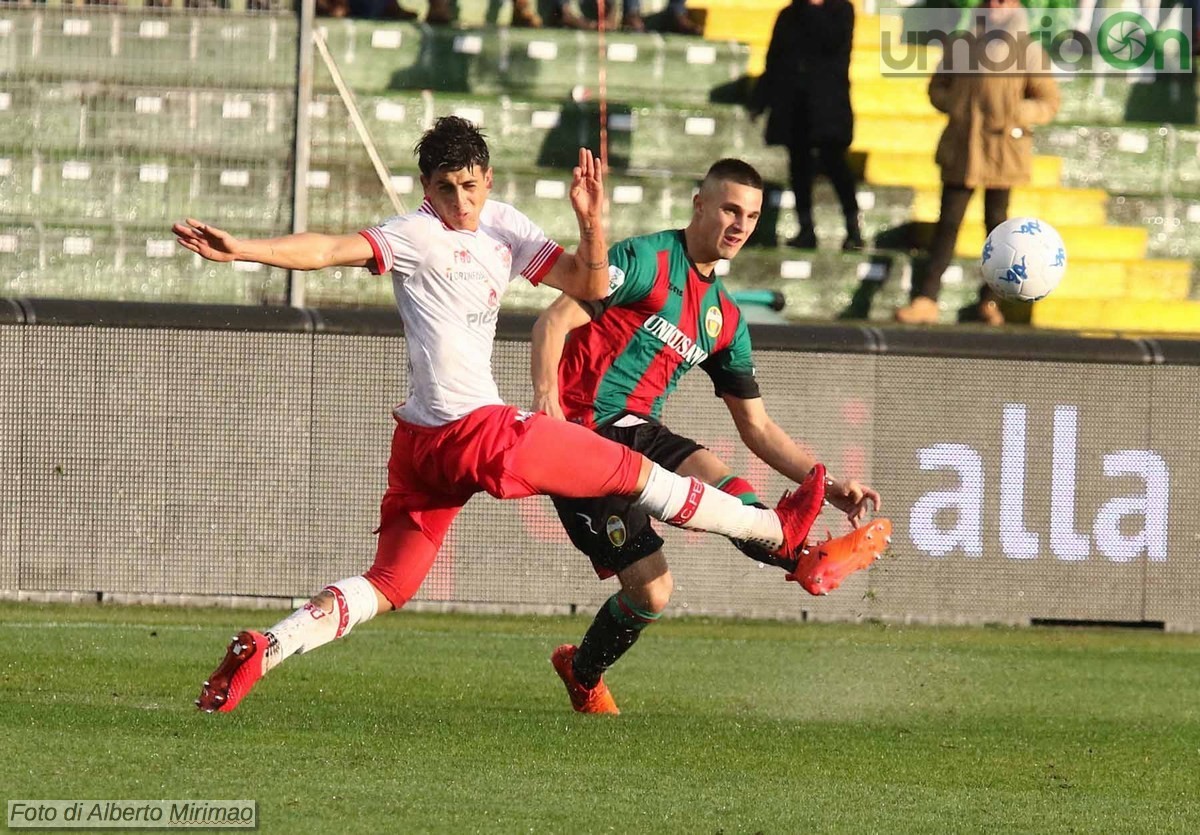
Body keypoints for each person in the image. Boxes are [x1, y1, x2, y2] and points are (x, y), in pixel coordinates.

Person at [176, 117, 835, 714]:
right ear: (425, 188)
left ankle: (268, 645)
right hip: (479, 432)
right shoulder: (413, 234)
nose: (461, 203)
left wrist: (590, 220)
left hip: (422, 448)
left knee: (390, 581)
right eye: (446, 188)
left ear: (488, 179)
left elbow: (587, 285)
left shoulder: (504, 225)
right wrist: (243, 250)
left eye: (470, 185)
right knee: (635, 471)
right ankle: (773, 528)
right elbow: (326, 249)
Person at [531, 159, 888, 714]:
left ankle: (583, 670)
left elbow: (758, 427)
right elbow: (553, 321)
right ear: (699, 204)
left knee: (695, 542)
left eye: (750, 216)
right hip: (581, 433)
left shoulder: (724, 317)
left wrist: (833, 484)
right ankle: (800, 559)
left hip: (637, 430)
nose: (739, 225)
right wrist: (546, 398)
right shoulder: (645, 261)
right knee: (658, 585)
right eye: (729, 209)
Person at [895, 0, 1060, 326]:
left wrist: (1016, 114)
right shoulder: (961, 45)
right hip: (963, 147)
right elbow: (937, 88)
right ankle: (927, 298)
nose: (996, 4)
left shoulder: (1028, 50)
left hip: (1002, 150)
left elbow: (1048, 101)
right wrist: (956, 105)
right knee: (948, 226)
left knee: (999, 229)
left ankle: (991, 300)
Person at [748, 0, 861, 251]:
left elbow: (832, 43)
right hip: (794, 107)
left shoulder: (840, 11)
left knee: (836, 165)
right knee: (799, 167)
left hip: (828, 107)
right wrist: (759, 100)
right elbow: (774, 61)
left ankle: (853, 227)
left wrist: (812, 8)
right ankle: (806, 228)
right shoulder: (788, 15)